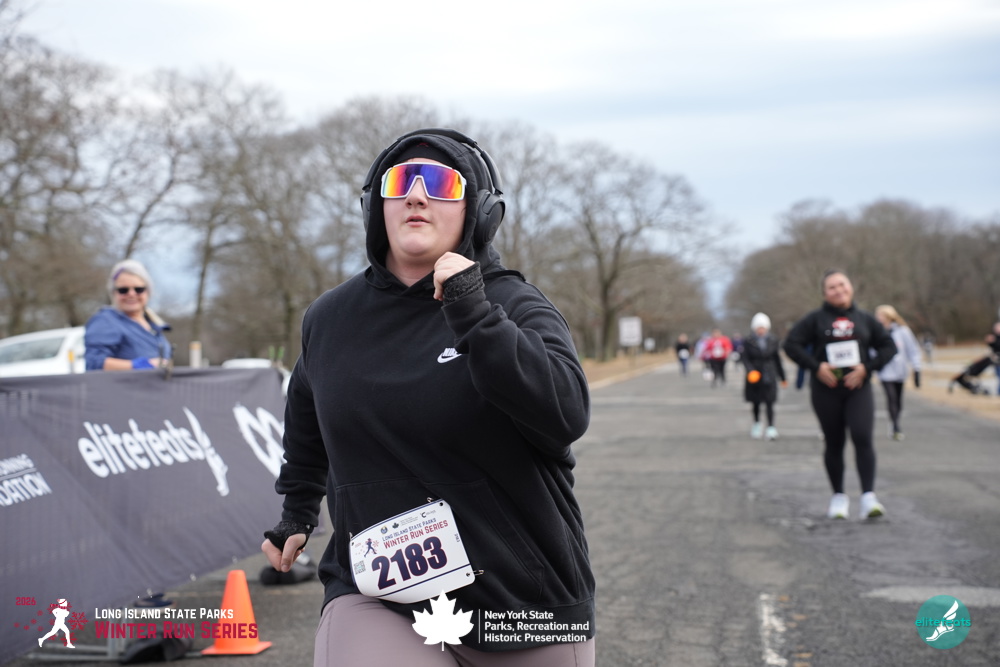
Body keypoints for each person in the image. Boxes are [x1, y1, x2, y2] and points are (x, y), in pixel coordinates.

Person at [262, 129, 595, 666]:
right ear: (376, 208)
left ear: (478, 212)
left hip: (522, 601)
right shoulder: (330, 318)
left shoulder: (515, 304)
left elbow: (565, 413)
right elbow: (307, 416)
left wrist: (474, 313)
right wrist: (296, 510)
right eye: (400, 182)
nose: (417, 195)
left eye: (440, 183)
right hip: (380, 594)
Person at [783, 270, 897, 520]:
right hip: (826, 391)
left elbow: (889, 346)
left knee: (862, 436)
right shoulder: (815, 319)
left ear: (850, 286)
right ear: (824, 293)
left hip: (858, 389)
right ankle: (838, 497)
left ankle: (868, 497)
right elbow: (791, 344)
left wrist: (867, 368)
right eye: (832, 287)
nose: (838, 290)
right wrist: (816, 367)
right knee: (834, 442)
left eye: (842, 284)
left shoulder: (865, 319)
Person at [84, 259, 171, 371]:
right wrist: (137, 365)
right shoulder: (105, 321)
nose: (131, 294)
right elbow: (93, 362)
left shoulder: (154, 324)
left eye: (139, 289)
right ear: (113, 293)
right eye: (123, 290)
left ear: (148, 291)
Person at [874, 305, 923, 440]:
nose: (878, 318)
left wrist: (916, 368)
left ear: (888, 316)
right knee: (891, 398)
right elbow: (871, 351)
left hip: (900, 371)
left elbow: (913, 350)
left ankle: (895, 420)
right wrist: (874, 365)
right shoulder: (877, 332)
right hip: (885, 372)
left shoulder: (903, 331)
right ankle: (895, 426)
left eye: (880, 315)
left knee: (898, 399)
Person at [742, 313, 786, 440]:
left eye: (763, 327)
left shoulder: (773, 340)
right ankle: (757, 423)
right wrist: (750, 371)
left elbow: (777, 359)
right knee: (755, 402)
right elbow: (745, 358)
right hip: (754, 375)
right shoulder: (748, 341)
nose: (761, 330)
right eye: (759, 327)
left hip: (769, 375)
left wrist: (783, 377)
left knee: (770, 402)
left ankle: (771, 427)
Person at [987, 321, 1000, 395]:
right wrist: (990, 342)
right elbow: (994, 346)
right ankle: (999, 393)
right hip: (997, 362)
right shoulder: (994, 338)